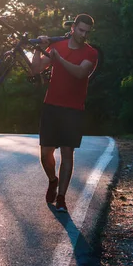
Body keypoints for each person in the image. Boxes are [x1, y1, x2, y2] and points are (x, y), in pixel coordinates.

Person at [30, 13, 98, 213]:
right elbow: (35, 69)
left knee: (67, 153)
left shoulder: (90, 53)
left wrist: (58, 59)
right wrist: (38, 49)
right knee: (45, 154)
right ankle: (53, 180)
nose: (83, 34)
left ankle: (61, 197)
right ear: (73, 28)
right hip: (52, 105)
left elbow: (80, 73)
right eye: (80, 30)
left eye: (87, 32)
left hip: (74, 109)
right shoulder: (57, 46)